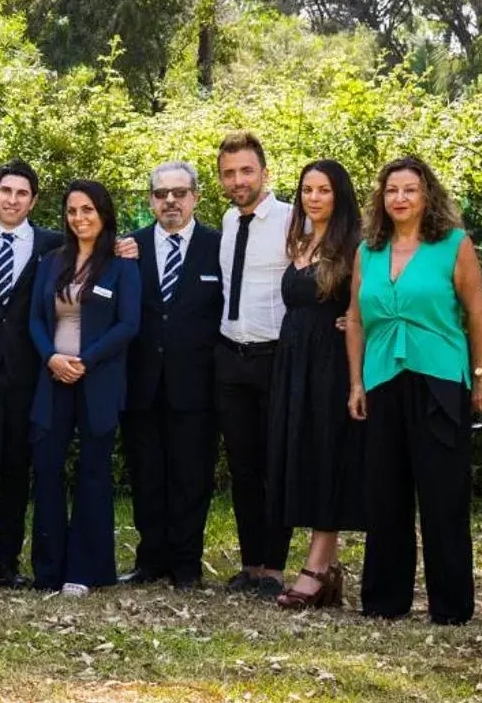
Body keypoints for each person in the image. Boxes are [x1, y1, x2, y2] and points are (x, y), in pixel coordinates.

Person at [349, 156, 482, 625]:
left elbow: (476, 313)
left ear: (426, 195)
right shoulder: (368, 250)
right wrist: (355, 381)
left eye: (410, 189)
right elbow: (355, 318)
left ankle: (450, 607)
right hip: (382, 379)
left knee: (442, 495)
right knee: (385, 493)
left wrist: (481, 375)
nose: (400, 198)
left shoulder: (453, 245)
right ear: (381, 198)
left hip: (440, 381)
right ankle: (385, 601)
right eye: (391, 191)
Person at [28, 180, 140, 595]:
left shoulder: (122, 264)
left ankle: (86, 570)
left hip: (98, 379)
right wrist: (51, 358)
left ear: (104, 213)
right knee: (47, 469)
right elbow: (36, 321)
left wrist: (85, 361)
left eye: (88, 210)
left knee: (93, 474)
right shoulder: (52, 261)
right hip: (53, 377)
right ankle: (47, 570)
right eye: (73, 211)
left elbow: (129, 324)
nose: (80, 218)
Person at [0, 161, 63, 588]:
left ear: (33, 201)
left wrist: (128, 247)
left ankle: (7, 561)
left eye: (22, 193)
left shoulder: (54, 246)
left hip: (29, 370)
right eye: (6, 191)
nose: (12, 199)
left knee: (18, 466)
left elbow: (100, 247)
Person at [269, 160, 366, 610]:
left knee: (327, 454)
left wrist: (355, 317)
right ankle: (326, 567)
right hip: (294, 363)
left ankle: (318, 568)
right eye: (307, 189)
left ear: (338, 195)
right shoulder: (301, 241)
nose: (313, 197)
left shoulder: (355, 247)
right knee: (303, 454)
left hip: (330, 364)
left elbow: (371, 301)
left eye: (323, 190)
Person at [120, 162, 221, 590]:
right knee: (146, 473)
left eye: (180, 193)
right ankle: (151, 559)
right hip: (142, 382)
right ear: (150, 201)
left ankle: (186, 564)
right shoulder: (129, 249)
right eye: (162, 194)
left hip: (197, 383)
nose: (171, 201)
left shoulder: (220, 245)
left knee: (191, 475)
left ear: (195, 196)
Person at [214, 131, 294, 597]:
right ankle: (251, 564)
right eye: (229, 173)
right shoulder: (227, 221)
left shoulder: (291, 219)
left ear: (264, 172)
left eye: (246, 170)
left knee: (274, 464)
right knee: (242, 466)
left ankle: (276, 569)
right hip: (231, 357)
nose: (238, 180)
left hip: (275, 358)